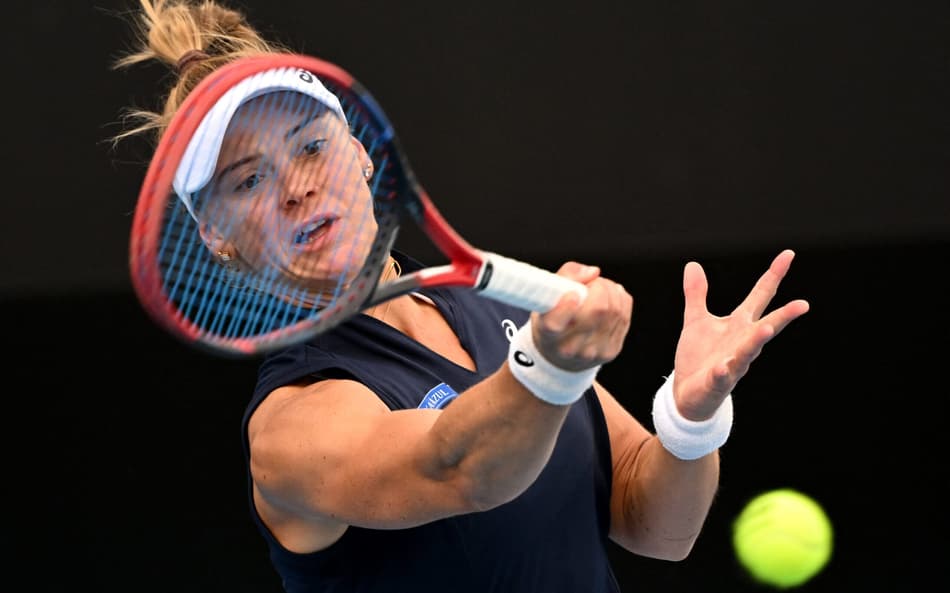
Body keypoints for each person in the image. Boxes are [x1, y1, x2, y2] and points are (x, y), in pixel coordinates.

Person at [110, 2, 810, 592]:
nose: (295, 186)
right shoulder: (292, 424)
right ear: (216, 236)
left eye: (310, 147)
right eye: (247, 181)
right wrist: (549, 363)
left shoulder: (504, 313)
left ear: (358, 153)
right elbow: (455, 466)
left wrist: (690, 419)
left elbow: (655, 522)